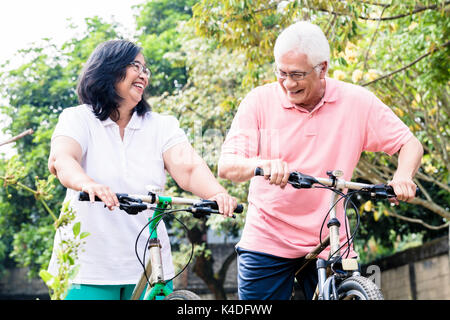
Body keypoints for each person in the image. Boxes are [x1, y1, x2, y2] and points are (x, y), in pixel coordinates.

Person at [218, 21, 423, 300]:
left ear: (322, 68)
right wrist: (263, 164)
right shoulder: (258, 102)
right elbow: (227, 165)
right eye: (281, 73)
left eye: (297, 74)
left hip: (332, 241)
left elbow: (409, 143)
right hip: (267, 239)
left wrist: (403, 176)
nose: (288, 83)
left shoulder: (356, 102)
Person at [47, 39, 237, 300]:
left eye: (145, 68)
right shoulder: (78, 118)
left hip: (151, 265)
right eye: (135, 66)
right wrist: (86, 183)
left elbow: (189, 167)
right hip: (87, 267)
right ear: (108, 70)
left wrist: (217, 193)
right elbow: (63, 159)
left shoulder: (161, 125)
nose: (143, 74)